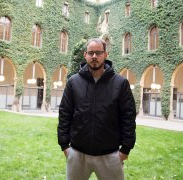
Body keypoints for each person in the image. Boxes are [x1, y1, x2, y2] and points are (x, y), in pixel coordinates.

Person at [57, 38, 136, 180]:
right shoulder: (73, 82)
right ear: (85, 55)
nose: (94, 56)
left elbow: (128, 117)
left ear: (105, 55)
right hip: (77, 154)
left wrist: (125, 149)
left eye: (98, 53)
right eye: (91, 53)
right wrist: (64, 146)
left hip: (110, 155)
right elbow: (64, 114)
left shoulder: (121, 83)